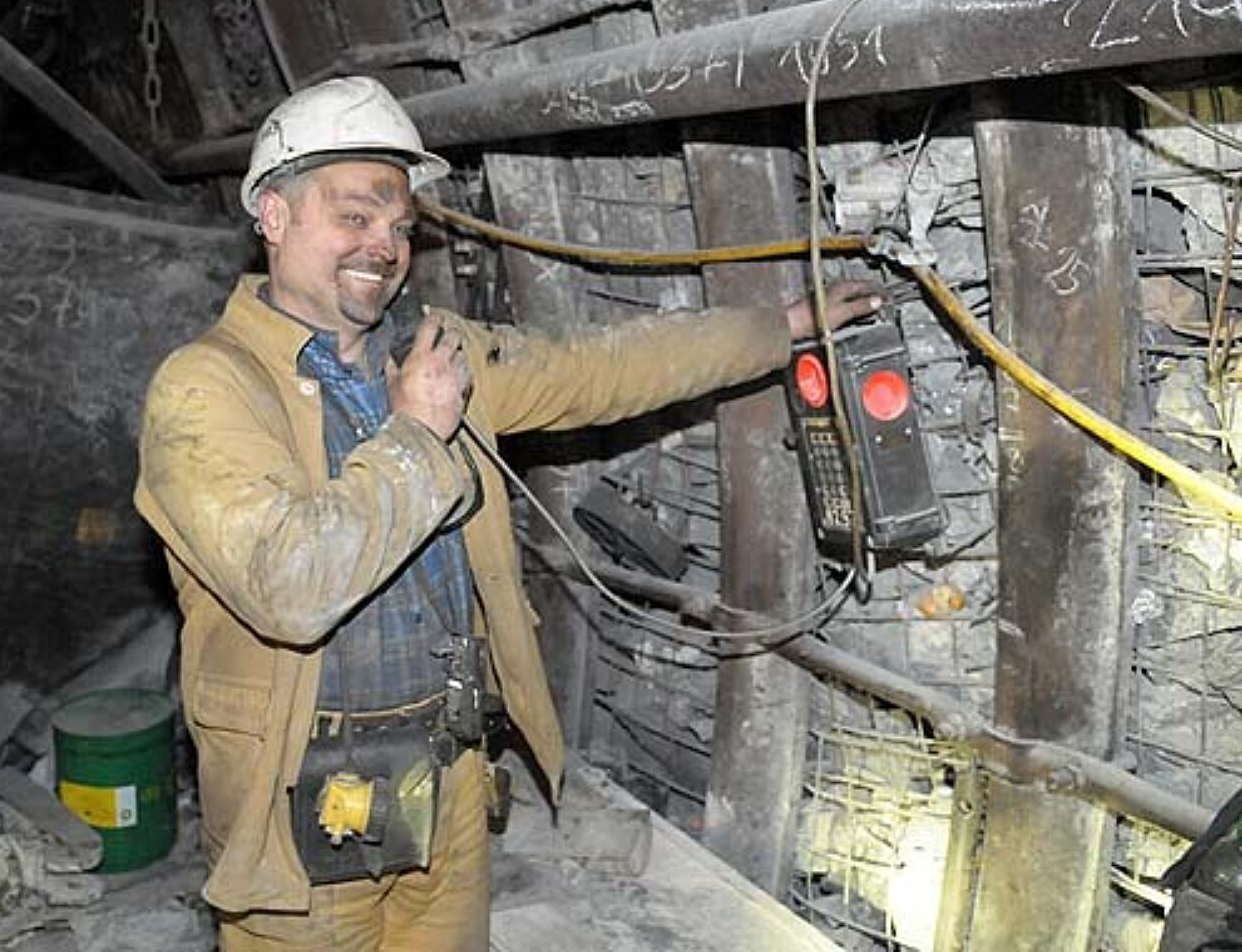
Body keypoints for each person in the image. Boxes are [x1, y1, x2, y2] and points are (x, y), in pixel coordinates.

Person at [134, 75, 880, 950]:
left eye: (400, 226)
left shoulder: (432, 352)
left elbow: (598, 368)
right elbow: (290, 586)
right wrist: (417, 432)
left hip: (445, 779)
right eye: (355, 216)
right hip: (301, 806)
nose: (384, 246)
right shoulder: (206, 387)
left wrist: (780, 327)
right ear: (272, 214)